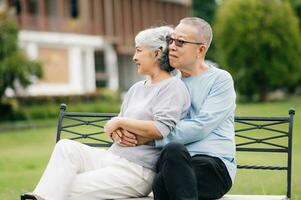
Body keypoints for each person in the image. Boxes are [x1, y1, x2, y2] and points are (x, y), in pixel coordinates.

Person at [20, 26, 190, 200]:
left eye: (139, 51)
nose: (134, 57)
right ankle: (40, 197)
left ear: (156, 53)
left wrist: (119, 122)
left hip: (136, 171)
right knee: (66, 147)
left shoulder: (173, 87)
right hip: (111, 157)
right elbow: (115, 127)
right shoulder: (136, 88)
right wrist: (115, 130)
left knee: (64, 188)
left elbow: (160, 129)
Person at [112, 17, 236, 200]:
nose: (171, 46)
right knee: (172, 156)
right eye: (171, 40)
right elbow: (137, 116)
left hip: (212, 165)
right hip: (170, 162)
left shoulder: (220, 79)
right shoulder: (169, 84)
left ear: (200, 49)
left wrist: (151, 138)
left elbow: (201, 125)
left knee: (169, 171)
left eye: (180, 42)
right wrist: (120, 132)